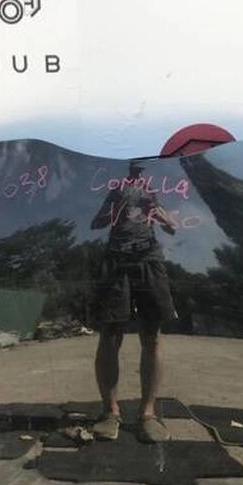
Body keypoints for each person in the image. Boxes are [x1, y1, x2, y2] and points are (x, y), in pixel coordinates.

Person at [89, 161, 176, 443]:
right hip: (117, 258)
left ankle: (148, 413)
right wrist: (115, 208)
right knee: (110, 334)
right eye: (135, 167)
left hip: (148, 256)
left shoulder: (151, 190)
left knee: (152, 335)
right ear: (128, 167)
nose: (139, 172)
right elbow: (96, 222)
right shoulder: (115, 189)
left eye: (142, 167)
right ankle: (110, 412)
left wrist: (160, 215)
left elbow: (169, 224)